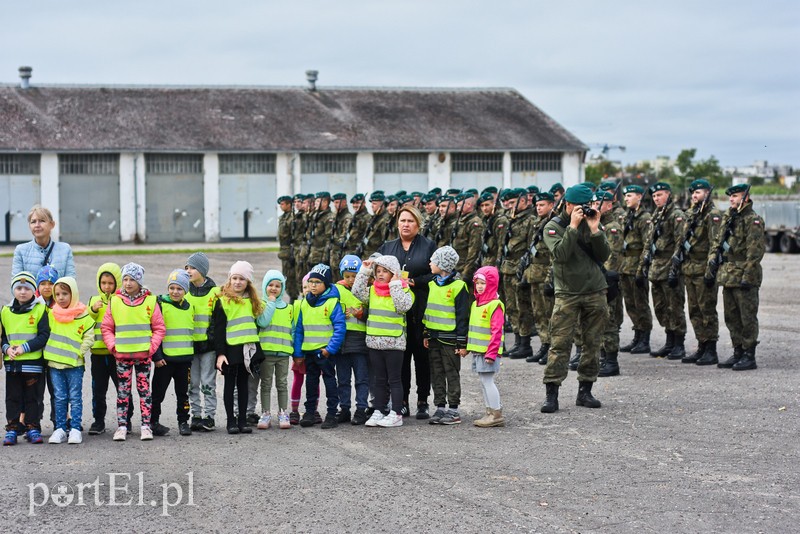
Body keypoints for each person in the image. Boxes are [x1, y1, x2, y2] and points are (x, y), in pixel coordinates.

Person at [540, 184, 610, 413]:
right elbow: (560, 255)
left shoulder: (592, 223)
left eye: (587, 206)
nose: (584, 210)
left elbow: (603, 255)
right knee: (559, 344)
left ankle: (585, 391)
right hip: (567, 293)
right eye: (579, 206)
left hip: (594, 291)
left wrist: (595, 229)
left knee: (592, 343)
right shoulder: (553, 226)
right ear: (567, 204)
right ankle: (552, 393)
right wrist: (572, 226)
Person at [376, 205, 436, 419]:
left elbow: (435, 274)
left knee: (422, 357)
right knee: (399, 358)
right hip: (394, 311)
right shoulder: (388, 247)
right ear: (397, 223)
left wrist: (415, 282)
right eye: (402, 220)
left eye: (410, 221)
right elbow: (377, 273)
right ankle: (401, 401)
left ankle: (422, 401)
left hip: (420, 308)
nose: (406, 225)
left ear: (418, 224)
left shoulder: (428, 245)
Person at [101, 263, 165, 442]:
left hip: (143, 357)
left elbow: (159, 327)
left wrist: (151, 348)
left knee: (145, 392)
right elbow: (106, 327)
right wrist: (113, 347)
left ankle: (146, 425)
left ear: (140, 281)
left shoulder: (150, 302)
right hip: (122, 357)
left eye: (132, 279)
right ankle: (122, 426)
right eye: (125, 279)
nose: (128, 283)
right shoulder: (114, 301)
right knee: (123, 392)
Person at [705, 184, 764, 371]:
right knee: (731, 317)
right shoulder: (729, 217)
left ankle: (749, 355)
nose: (731, 199)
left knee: (747, 317)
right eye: (730, 197)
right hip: (728, 274)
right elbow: (717, 242)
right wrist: (712, 266)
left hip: (744, 275)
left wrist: (748, 276)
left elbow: (755, 252)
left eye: (735, 196)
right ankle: (738, 351)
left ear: (745, 198)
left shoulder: (753, 220)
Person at [352, 254, 414, 428]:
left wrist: (395, 283)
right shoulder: (372, 291)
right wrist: (364, 271)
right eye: (377, 271)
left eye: (385, 271)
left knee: (394, 380)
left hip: (394, 344)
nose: (380, 274)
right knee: (379, 379)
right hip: (374, 343)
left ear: (393, 273)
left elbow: (403, 306)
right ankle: (379, 410)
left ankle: (396, 413)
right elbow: (356, 291)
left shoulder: (403, 290)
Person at [675, 180, 723, 365]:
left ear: (708, 193)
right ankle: (701, 345)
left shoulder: (712, 215)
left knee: (707, 309)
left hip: (703, 269)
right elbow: (682, 240)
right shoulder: (690, 214)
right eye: (693, 193)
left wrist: (711, 270)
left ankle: (711, 349)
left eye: (698, 192)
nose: (695, 196)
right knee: (694, 310)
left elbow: (715, 243)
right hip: (689, 269)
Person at [214, 261, 264, 435]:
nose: (237, 282)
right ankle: (231, 421)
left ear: (248, 282)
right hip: (230, 350)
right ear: (229, 280)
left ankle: (242, 420)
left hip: (247, 350)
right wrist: (220, 354)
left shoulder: (253, 302)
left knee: (244, 385)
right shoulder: (223, 302)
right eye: (234, 278)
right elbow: (218, 330)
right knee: (230, 385)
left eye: (242, 279)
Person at [638, 182, 687, 359]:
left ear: (668, 194)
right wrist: (643, 267)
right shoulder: (657, 215)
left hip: (670, 267)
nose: (656, 198)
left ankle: (679, 344)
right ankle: (669, 341)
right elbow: (648, 243)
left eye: (660, 195)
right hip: (656, 268)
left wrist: (675, 269)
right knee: (661, 307)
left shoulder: (676, 215)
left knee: (675, 307)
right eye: (654, 196)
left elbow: (680, 243)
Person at [294, 264, 346, 429]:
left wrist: (330, 349)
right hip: (308, 352)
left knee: (330, 382)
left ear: (326, 284)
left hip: (325, 353)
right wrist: (298, 353)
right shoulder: (304, 303)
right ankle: (310, 412)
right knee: (310, 383)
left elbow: (340, 328)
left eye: (317, 282)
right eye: (311, 281)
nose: (313, 285)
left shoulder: (332, 303)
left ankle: (331, 414)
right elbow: (299, 330)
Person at [2, 272, 50, 445]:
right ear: (13, 290)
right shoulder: (5, 311)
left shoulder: (40, 309)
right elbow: (3, 337)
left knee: (33, 397)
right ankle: (12, 429)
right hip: (12, 364)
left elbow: (44, 335)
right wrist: (7, 349)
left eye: (27, 288)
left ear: (33, 291)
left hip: (33, 364)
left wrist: (24, 347)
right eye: (19, 288)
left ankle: (33, 427)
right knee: (13, 397)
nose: (22, 292)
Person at [44, 276, 94, 444]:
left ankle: (75, 428)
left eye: (65, 293)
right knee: (59, 397)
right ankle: (59, 428)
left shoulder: (84, 316)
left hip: (74, 365)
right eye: (57, 294)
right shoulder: (52, 314)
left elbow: (89, 337)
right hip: (55, 364)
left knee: (75, 397)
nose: (61, 298)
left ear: (73, 294)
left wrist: (79, 353)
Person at [422, 246, 469, 425]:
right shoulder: (432, 284)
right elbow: (429, 311)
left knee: (451, 373)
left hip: (450, 340)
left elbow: (462, 316)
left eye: (433, 260)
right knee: (437, 373)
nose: (430, 263)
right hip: (433, 337)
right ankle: (440, 406)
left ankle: (454, 409)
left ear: (442, 265)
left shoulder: (459, 287)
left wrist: (461, 342)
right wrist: (426, 333)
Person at [87, 262, 132, 434]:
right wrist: (92, 310)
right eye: (103, 283)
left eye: (110, 283)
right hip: (97, 354)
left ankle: (126, 420)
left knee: (123, 387)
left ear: (117, 284)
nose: (106, 286)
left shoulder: (121, 300)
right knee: (98, 389)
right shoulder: (93, 301)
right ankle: (98, 421)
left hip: (117, 354)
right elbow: (85, 321)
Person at [151, 269, 195, 437]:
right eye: (172, 288)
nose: (175, 292)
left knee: (183, 394)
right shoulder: (160, 305)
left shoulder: (189, 307)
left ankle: (183, 422)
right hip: (165, 360)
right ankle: (153, 421)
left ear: (185, 291)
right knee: (158, 393)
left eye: (179, 289)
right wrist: (157, 356)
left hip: (184, 360)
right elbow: (155, 331)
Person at [184, 252, 220, 432]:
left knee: (208, 382)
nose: (189, 271)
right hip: (190, 346)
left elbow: (218, 319)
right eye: (187, 268)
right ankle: (196, 415)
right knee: (193, 382)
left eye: (193, 267)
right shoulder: (184, 291)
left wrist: (212, 340)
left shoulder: (215, 292)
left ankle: (209, 416)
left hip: (208, 347)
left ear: (203, 271)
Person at [499, 188, 536, 360]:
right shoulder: (510, 220)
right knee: (512, 307)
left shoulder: (530, 220)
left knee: (523, 308)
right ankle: (517, 340)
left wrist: (525, 271)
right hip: (507, 268)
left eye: (513, 203)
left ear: (523, 201)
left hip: (520, 269)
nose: (510, 206)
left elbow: (530, 248)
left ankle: (525, 343)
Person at [254, 269, 293, 430]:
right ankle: (265, 413)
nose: (274, 288)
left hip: (283, 353)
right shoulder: (261, 305)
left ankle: (283, 412)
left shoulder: (289, 308)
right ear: (265, 286)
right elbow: (262, 322)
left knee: (282, 384)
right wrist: (270, 302)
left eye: (278, 286)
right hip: (266, 354)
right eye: (270, 285)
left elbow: (293, 330)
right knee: (266, 384)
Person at [334, 256, 370, 425]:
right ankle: (345, 409)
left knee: (362, 378)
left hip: (360, 341)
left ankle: (361, 409)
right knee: (343, 378)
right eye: (347, 276)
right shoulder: (336, 290)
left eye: (354, 276)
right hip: (342, 341)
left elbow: (372, 313)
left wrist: (360, 314)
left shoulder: (366, 291)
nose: (350, 280)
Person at [468, 267, 506, 427]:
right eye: (477, 283)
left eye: (483, 283)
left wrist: (492, 353)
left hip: (488, 353)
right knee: (484, 382)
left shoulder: (494, 304)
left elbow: (496, 331)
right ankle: (490, 411)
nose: (480, 286)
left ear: (491, 284)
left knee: (488, 381)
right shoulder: (476, 304)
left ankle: (496, 413)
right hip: (479, 351)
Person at [619, 185, 653, 354]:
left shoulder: (645, 217)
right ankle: (637, 335)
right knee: (630, 304)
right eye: (625, 196)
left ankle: (645, 339)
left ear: (639, 197)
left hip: (637, 266)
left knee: (641, 304)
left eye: (630, 196)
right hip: (625, 266)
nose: (626, 199)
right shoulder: (627, 216)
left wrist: (642, 269)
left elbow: (647, 245)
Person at [524, 192, 556, 364]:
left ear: (551, 205)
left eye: (542, 205)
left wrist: (550, 279)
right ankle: (544, 344)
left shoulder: (553, 224)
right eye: (537, 205)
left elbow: (554, 254)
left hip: (545, 275)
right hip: (534, 274)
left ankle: (551, 347)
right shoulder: (537, 223)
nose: (538, 208)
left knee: (549, 313)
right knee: (538, 313)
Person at [596, 192, 625, 377]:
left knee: (610, 322)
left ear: (609, 205)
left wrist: (605, 278)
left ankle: (612, 361)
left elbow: (613, 257)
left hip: (608, 281)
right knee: (599, 321)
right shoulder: (597, 225)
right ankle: (603, 356)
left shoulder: (612, 227)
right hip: (596, 280)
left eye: (599, 203)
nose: (595, 206)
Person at [11, 205, 76, 283]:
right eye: (33, 222)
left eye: (42, 221)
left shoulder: (65, 249)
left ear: (52, 224)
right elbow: (17, 285)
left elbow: (70, 283)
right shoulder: (21, 250)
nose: (37, 225)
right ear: (29, 226)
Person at [288, 274, 319, 426]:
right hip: (301, 350)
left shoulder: (320, 304)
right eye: (305, 287)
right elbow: (294, 329)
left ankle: (313, 409)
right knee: (298, 380)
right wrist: (296, 351)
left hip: (314, 350)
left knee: (314, 381)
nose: (308, 290)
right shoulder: (297, 305)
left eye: (310, 286)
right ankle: (294, 410)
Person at [451, 196, 484, 285]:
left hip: (466, 268)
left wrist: (466, 272)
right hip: (457, 266)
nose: (457, 208)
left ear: (469, 205)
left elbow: (474, 249)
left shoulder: (474, 222)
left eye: (459, 205)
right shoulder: (460, 220)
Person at [276, 196, 299, 299]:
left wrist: (292, 252)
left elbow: (295, 236)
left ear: (289, 204)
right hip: (284, 250)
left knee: (291, 276)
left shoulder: (293, 218)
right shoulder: (283, 217)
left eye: (283, 204)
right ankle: (291, 295)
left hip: (290, 250)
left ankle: (293, 297)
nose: (281, 206)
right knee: (286, 276)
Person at [328, 193, 352, 281]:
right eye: (334, 202)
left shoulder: (347, 217)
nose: (335, 205)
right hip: (333, 252)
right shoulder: (334, 215)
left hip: (341, 252)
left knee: (341, 278)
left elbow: (344, 236)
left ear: (344, 202)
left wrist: (334, 240)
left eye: (338, 202)